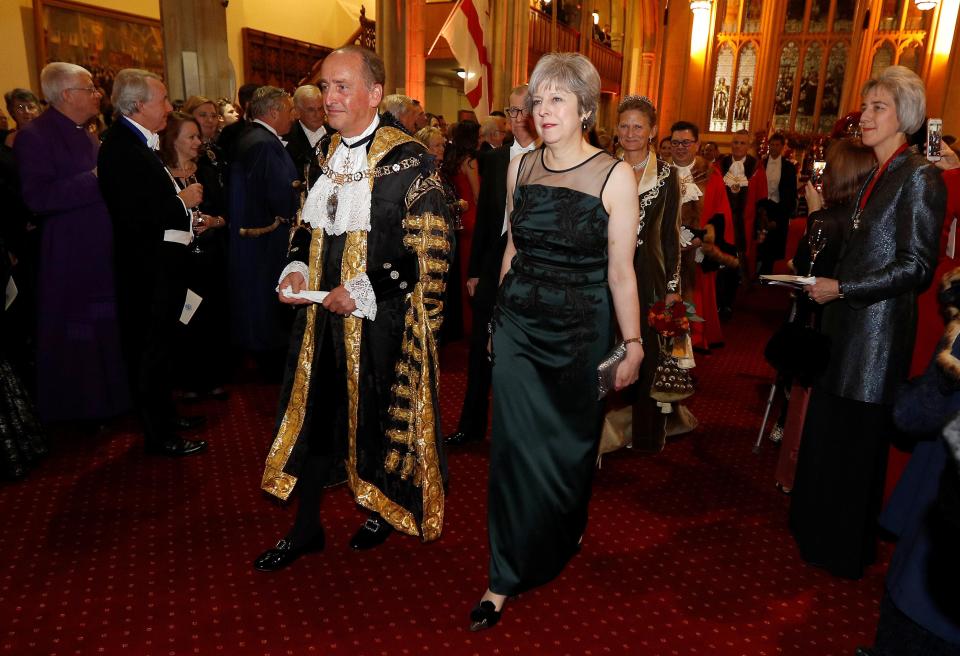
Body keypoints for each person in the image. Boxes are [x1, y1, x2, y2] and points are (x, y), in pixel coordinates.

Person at [252, 45, 451, 572]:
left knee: (377, 420)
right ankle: (306, 528)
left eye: (342, 87)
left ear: (374, 94)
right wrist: (295, 268)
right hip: (320, 320)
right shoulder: (322, 154)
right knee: (316, 418)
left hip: (382, 324)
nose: (329, 98)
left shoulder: (410, 162)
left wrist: (363, 289)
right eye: (325, 86)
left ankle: (380, 510)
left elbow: (427, 253)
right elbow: (307, 227)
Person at [469, 53, 642, 631]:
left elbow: (621, 271)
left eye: (556, 100)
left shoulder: (616, 176)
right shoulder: (523, 168)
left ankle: (562, 527)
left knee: (569, 448)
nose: (542, 111)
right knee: (513, 448)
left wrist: (634, 342)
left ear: (586, 109)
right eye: (537, 101)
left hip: (580, 330)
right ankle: (503, 576)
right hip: (519, 323)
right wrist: (495, 315)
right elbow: (514, 250)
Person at [792, 65, 945, 580]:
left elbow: (917, 267)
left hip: (876, 339)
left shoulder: (920, 176)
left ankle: (842, 551)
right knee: (830, 439)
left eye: (878, 107)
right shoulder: (876, 173)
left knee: (854, 448)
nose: (866, 115)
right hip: (846, 330)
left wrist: (845, 288)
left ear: (905, 116)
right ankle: (818, 537)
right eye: (866, 104)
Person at [98, 68, 208, 457]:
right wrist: (184, 201)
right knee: (148, 351)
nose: (168, 107)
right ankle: (158, 434)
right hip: (146, 269)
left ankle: (165, 414)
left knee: (161, 347)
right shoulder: (120, 147)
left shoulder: (140, 142)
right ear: (139, 104)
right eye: (162, 100)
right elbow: (135, 214)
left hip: (160, 264)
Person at [14, 63, 130, 425]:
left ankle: (112, 400)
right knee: (77, 330)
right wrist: (95, 178)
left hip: (100, 244)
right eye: (89, 88)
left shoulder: (87, 132)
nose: (97, 94)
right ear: (66, 95)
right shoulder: (35, 136)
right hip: (68, 249)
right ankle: (82, 408)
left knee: (106, 327)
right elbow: (38, 197)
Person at [446, 84, 540, 447]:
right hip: (493, 263)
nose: (519, 120)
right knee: (479, 352)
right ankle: (470, 428)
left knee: (524, 353)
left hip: (531, 267)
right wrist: (474, 271)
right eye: (513, 112)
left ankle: (518, 432)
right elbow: (487, 218)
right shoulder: (496, 159)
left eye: (525, 111)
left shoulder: (553, 159)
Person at [609, 95, 682, 455]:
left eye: (638, 126)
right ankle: (602, 432)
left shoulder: (668, 175)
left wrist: (672, 287)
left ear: (652, 131)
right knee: (608, 346)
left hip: (648, 274)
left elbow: (671, 235)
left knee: (648, 353)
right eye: (624, 125)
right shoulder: (605, 168)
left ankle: (646, 436)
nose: (631, 132)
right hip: (609, 272)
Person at [226, 86, 299, 373]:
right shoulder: (264, 144)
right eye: (289, 110)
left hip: (254, 232)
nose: (293, 116)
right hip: (264, 235)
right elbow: (281, 194)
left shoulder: (251, 137)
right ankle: (268, 355)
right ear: (273, 112)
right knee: (263, 296)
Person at [158, 112, 230, 402]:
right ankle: (186, 379)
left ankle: (213, 377)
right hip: (176, 260)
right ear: (173, 140)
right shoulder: (160, 174)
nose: (198, 142)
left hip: (208, 257)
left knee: (211, 317)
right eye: (191, 137)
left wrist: (212, 222)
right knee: (182, 319)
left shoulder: (206, 171)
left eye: (198, 136)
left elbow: (227, 216)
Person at [670, 120, 733, 352]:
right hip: (667, 249)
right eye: (676, 142)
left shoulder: (710, 174)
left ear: (697, 144)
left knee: (697, 294)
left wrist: (703, 238)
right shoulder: (660, 172)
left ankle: (695, 338)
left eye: (686, 142)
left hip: (697, 249)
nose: (680, 147)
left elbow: (721, 212)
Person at [443, 120, 481, 337]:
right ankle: (469, 324)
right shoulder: (470, 161)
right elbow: (477, 194)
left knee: (462, 272)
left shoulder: (453, 158)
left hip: (460, 217)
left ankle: (462, 323)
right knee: (471, 272)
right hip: (472, 216)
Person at [755, 133, 798, 275]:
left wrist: (784, 214)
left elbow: (791, 193)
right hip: (762, 207)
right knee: (759, 240)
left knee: (773, 242)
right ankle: (756, 269)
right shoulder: (760, 164)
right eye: (771, 144)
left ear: (782, 147)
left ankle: (767, 271)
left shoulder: (789, 168)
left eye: (777, 145)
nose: (774, 147)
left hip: (779, 208)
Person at [285, 85, 327, 187]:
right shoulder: (288, 140)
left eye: (320, 108)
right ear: (298, 112)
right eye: (311, 110)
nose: (318, 114)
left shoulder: (337, 132)